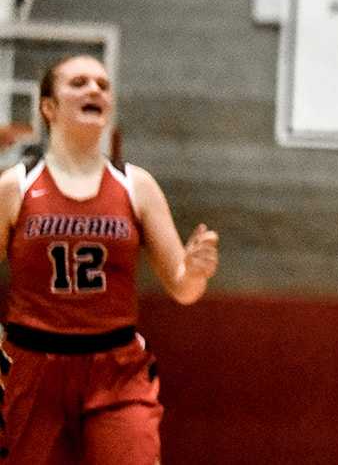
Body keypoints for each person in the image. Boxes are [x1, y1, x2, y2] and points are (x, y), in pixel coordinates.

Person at [0, 54, 219, 464]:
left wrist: (195, 271)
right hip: (32, 368)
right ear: (49, 106)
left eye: (102, 85)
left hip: (115, 368)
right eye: (79, 82)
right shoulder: (16, 186)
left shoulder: (136, 185)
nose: (94, 90)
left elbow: (184, 288)